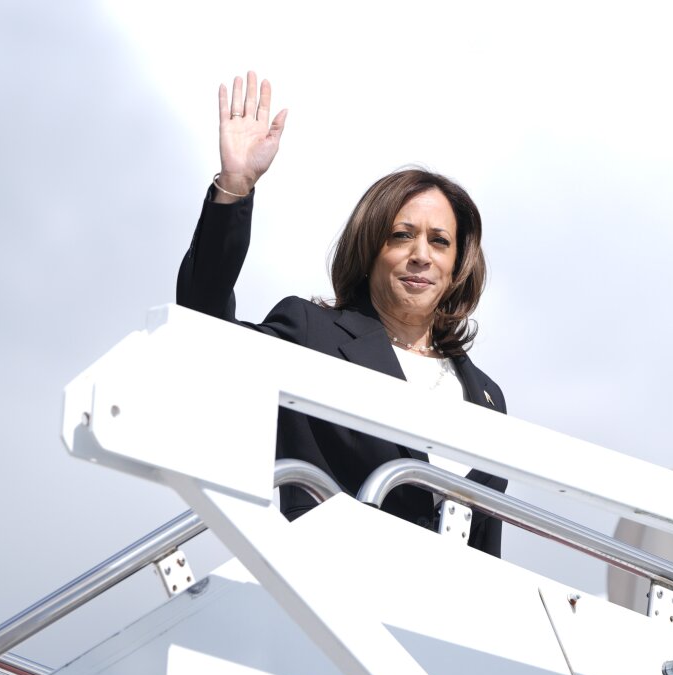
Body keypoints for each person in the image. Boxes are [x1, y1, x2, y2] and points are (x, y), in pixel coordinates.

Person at [176, 72, 507, 557]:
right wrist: (235, 188)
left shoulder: (488, 397)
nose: (421, 255)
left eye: (440, 241)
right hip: (330, 604)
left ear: (458, 265)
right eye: (401, 236)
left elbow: (487, 548)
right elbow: (204, 330)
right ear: (370, 249)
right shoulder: (312, 334)